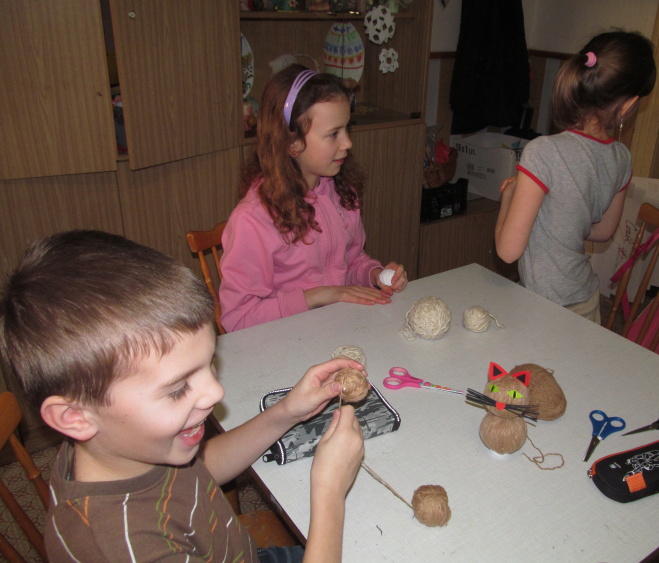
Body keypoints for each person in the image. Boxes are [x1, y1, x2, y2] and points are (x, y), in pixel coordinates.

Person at [0, 230, 365, 563]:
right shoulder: (122, 549)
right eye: (177, 388)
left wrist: (287, 411)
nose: (216, 392)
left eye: (210, 363)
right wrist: (329, 494)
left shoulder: (123, 445)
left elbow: (199, 472)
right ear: (75, 418)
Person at [220, 65, 407, 332]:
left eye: (347, 129)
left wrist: (375, 275)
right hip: (284, 341)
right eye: (333, 134)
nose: (347, 143)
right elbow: (238, 319)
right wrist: (320, 295)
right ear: (292, 143)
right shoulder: (252, 220)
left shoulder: (341, 193)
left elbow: (353, 260)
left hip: (336, 329)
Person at [494, 31, 656, 323]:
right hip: (585, 301)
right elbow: (603, 231)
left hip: (544, 306)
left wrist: (509, 197)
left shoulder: (543, 151)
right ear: (629, 104)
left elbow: (507, 252)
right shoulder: (622, 157)